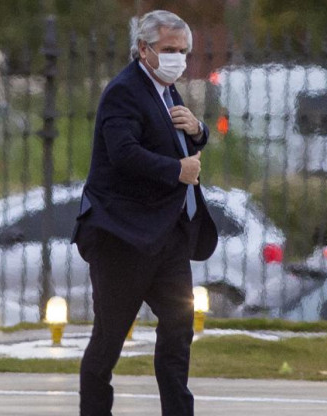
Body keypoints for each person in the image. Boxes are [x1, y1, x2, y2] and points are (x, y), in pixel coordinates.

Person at [71, 9, 218, 416]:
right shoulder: (124, 91)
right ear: (143, 49)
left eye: (183, 51)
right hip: (123, 238)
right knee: (108, 341)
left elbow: (176, 134)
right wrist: (178, 170)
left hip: (167, 237)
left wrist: (199, 130)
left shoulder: (167, 89)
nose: (178, 58)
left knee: (178, 331)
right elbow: (123, 154)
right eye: (169, 49)